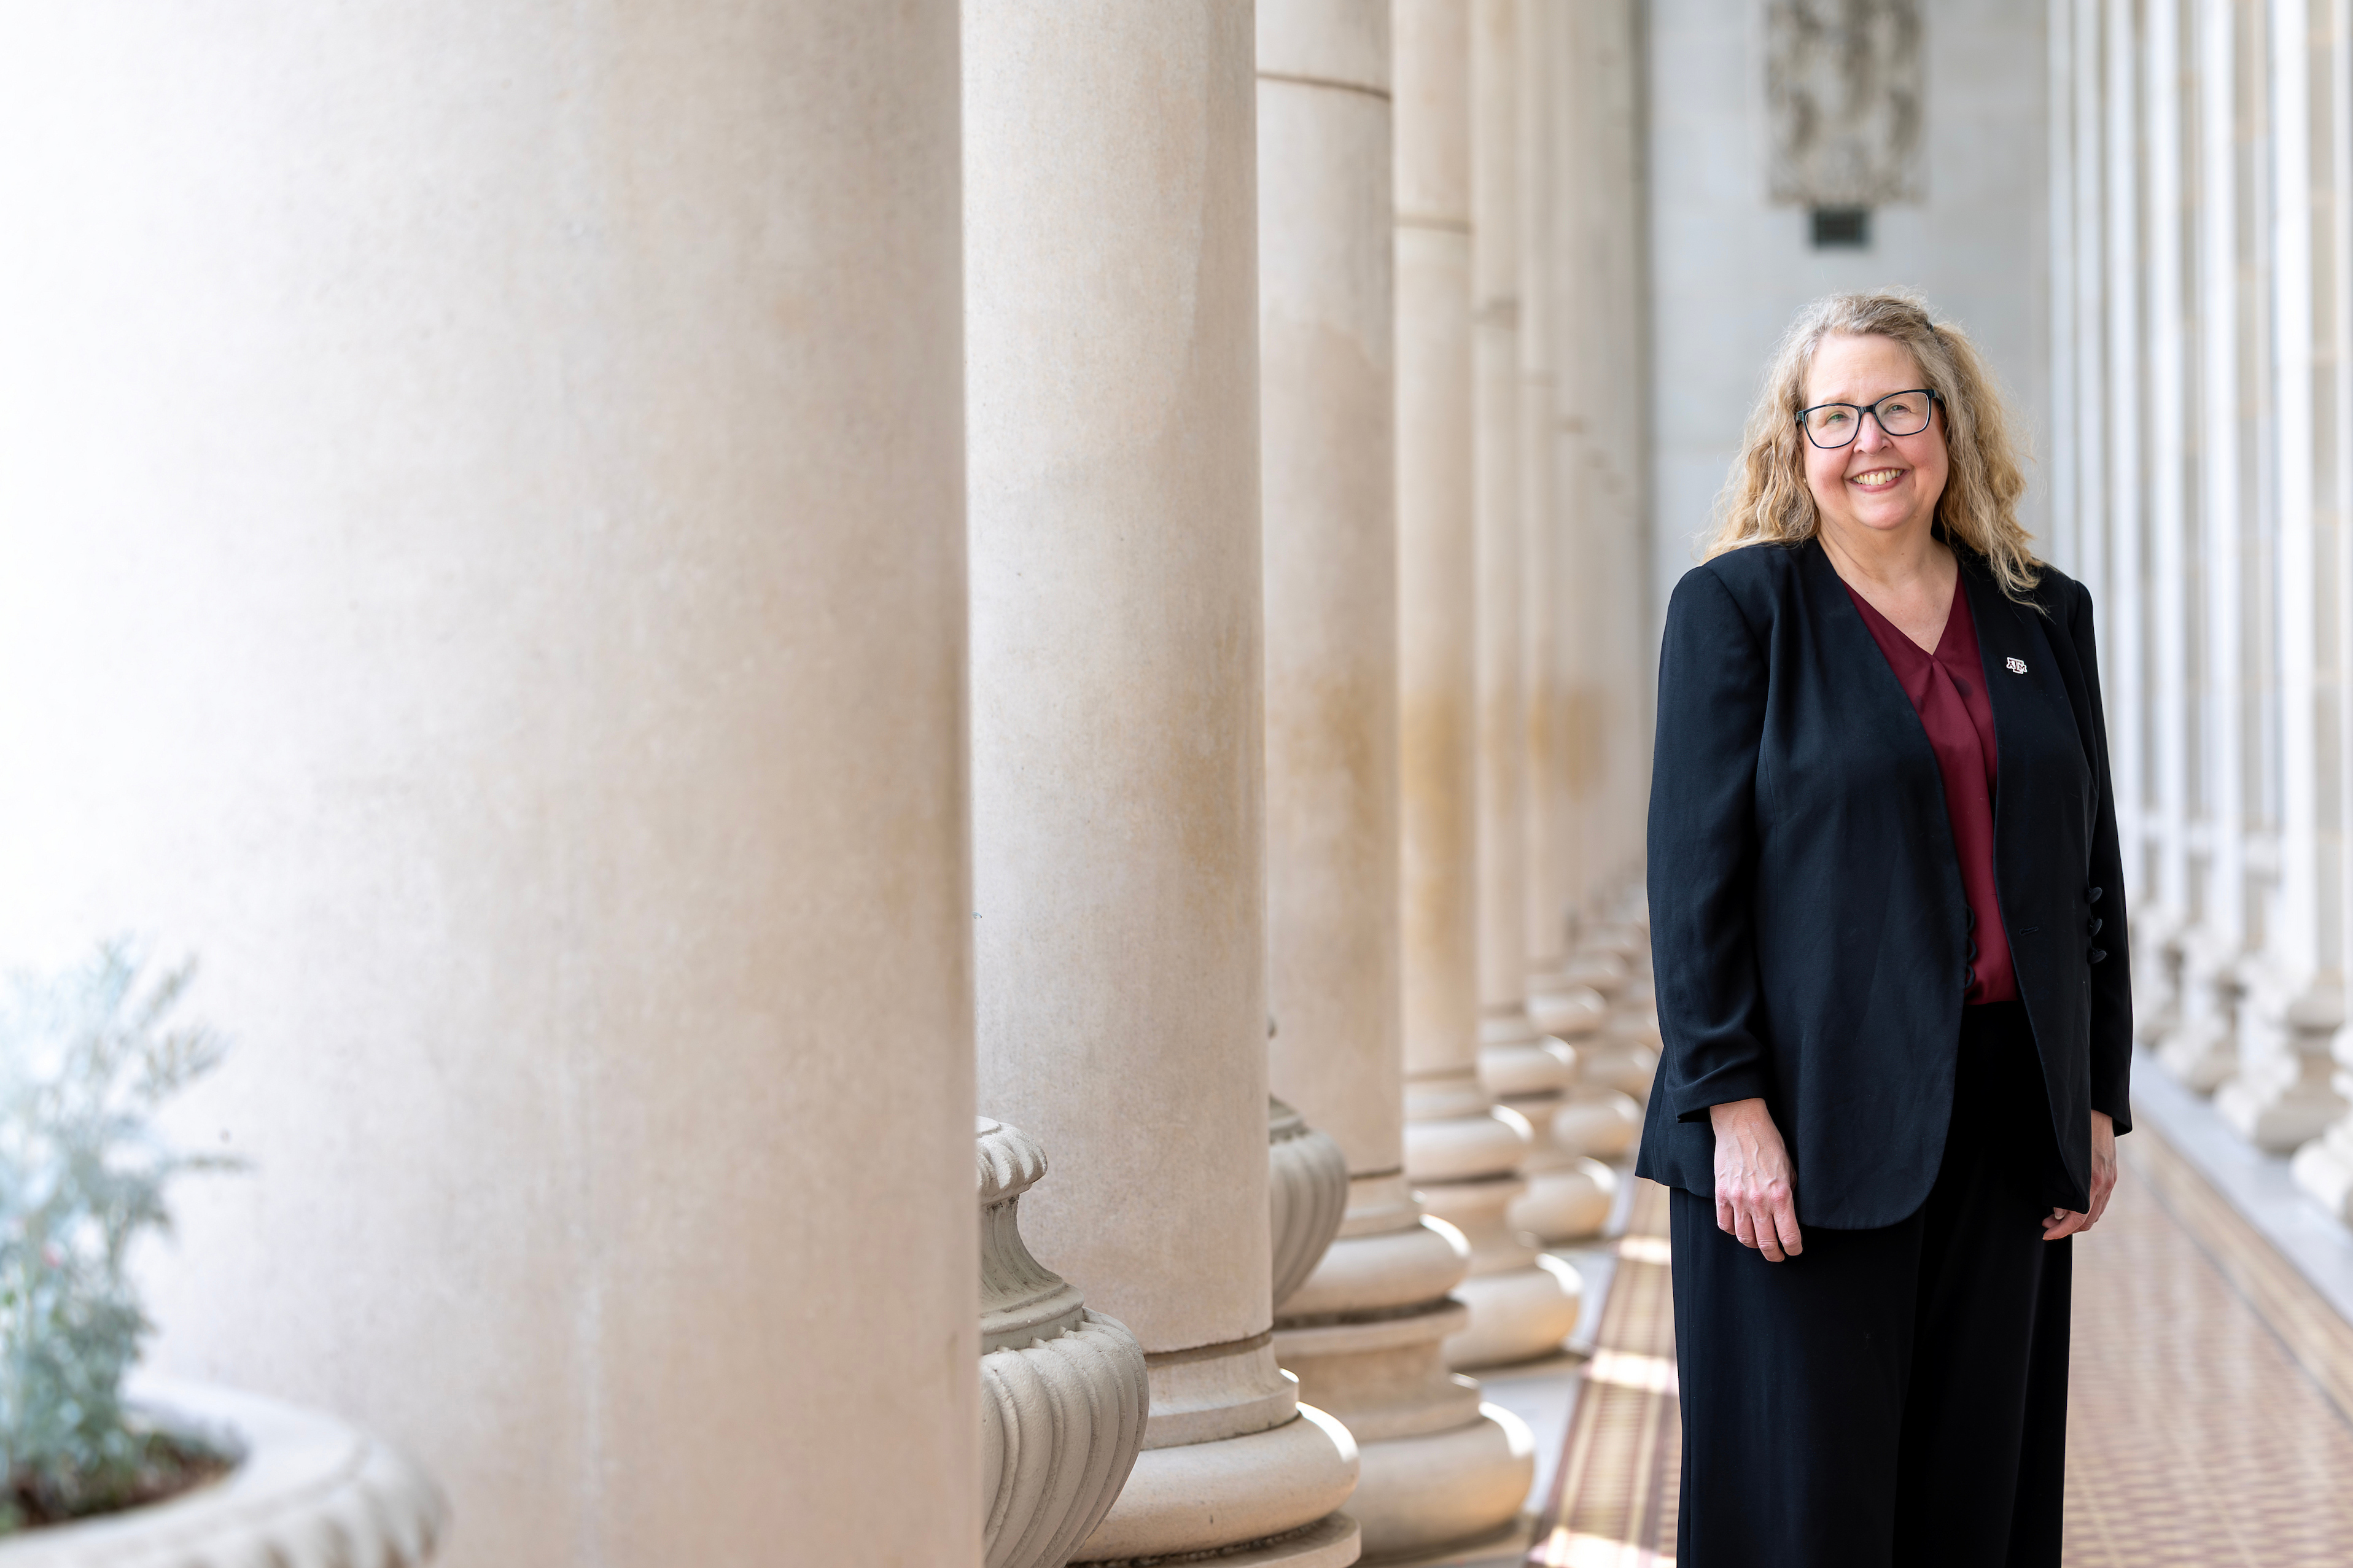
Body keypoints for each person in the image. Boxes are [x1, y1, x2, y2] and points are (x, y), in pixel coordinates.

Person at [1635, 291, 2130, 1568]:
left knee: (1977, 1493)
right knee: (1808, 1507)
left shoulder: (2040, 614)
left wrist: (2092, 1095)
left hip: (2001, 1113)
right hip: (1797, 1131)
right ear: (1790, 444)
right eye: (1834, 414)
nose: (1871, 441)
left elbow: (2089, 872)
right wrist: (1730, 1110)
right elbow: (1693, 887)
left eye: (1898, 407)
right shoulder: (1736, 609)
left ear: (1947, 426)